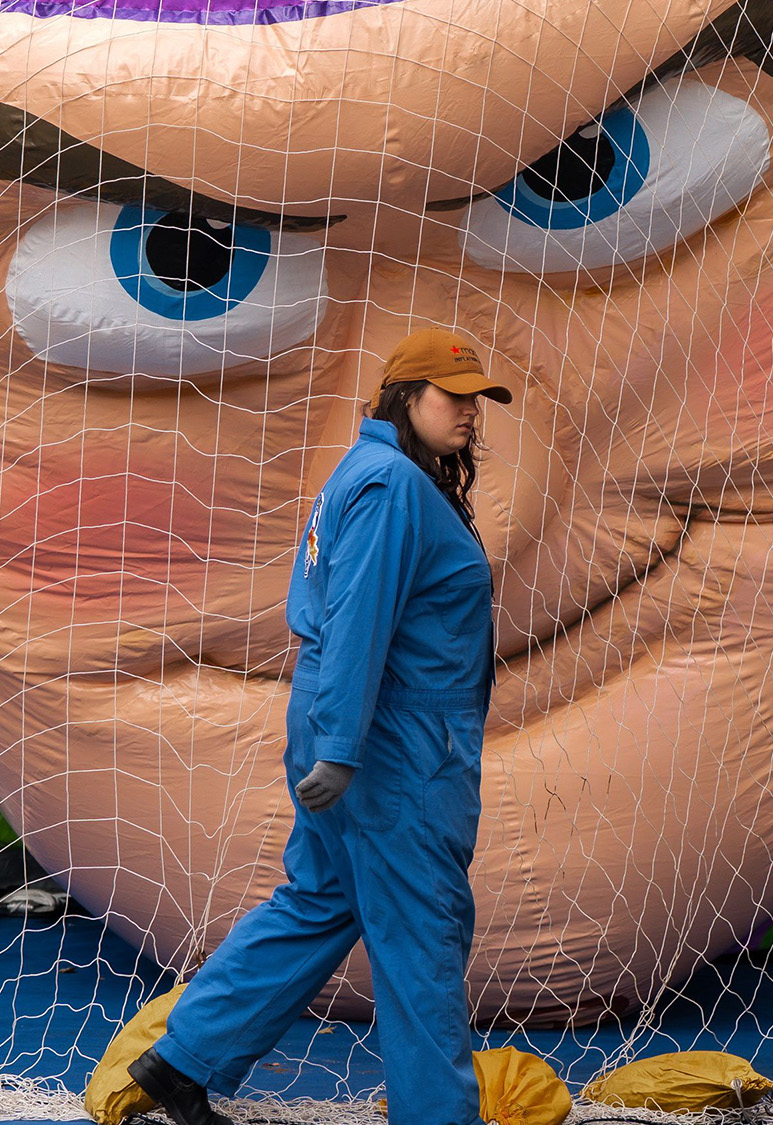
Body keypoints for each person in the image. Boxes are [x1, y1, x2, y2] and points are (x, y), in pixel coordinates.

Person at [127, 328, 511, 1125]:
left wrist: (335, 738)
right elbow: (358, 620)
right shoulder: (394, 486)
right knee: (421, 928)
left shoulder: (374, 473)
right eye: (454, 395)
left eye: (477, 397)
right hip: (389, 742)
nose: (470, 412)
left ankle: (183, 1057)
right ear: (407, 398)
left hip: (362, 727)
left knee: (321, 900)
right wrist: (341, 747)